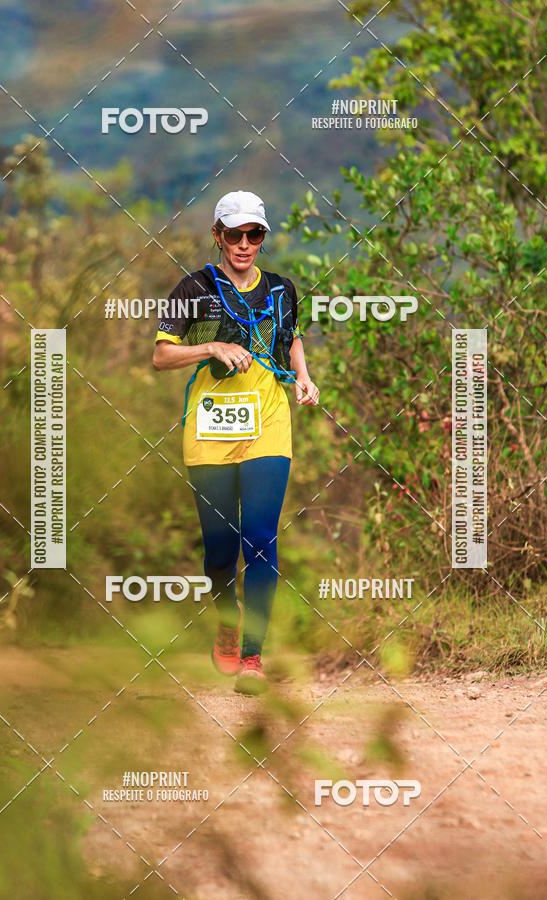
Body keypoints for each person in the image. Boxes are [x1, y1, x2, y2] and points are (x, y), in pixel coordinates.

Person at [153, 190, 319, 694]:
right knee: (221, 551)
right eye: (235, 234)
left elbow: (291, 337)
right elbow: (162, 356)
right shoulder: (194, 288)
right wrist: (212, 346)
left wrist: (304, 376)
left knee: (261, 539)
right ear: (218, 235)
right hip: (210, 430)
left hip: (268, 422)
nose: (245, 244)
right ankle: (227, 619)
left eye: (255, 234)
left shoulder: (282, 289)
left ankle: (252, 655)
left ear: (263, 236)